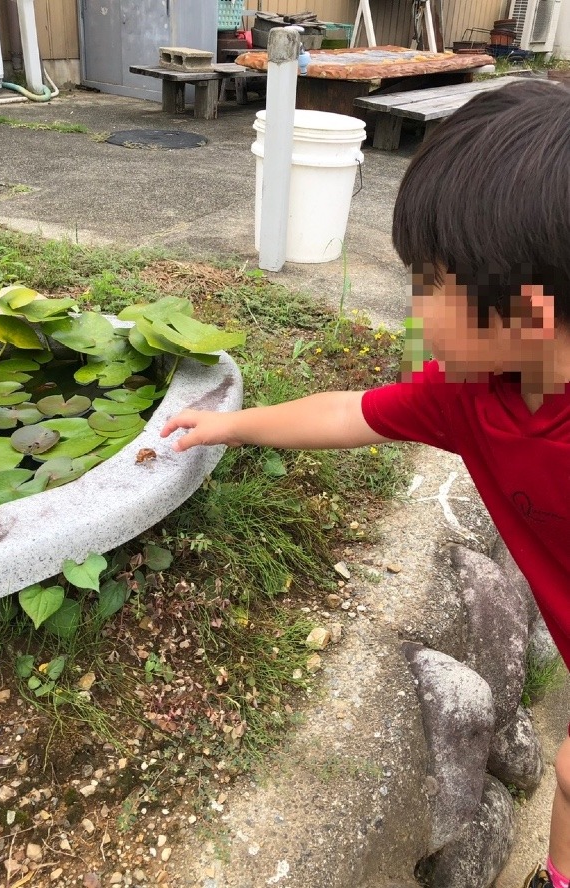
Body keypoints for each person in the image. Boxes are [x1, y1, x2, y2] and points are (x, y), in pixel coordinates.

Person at [160, 80, 570, 888]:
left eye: (427, 282)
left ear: (525, 318)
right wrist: (229, 425)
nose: (411, 304)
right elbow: (348, 413)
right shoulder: (469, 396)